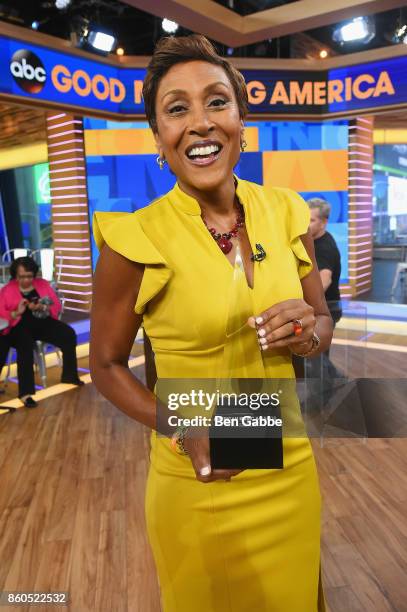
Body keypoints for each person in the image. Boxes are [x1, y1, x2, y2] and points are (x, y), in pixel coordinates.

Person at [90, 35, 332, 612]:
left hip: (287, 457)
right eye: (177, 109)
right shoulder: (133, 238)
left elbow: (321, 324)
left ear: (241, 120)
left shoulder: (285, 210)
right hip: (194, 477)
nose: (200, 123)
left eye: (216, 102)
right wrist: (181, 424)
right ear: (158, 138)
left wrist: (307, 334)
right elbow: (104, 365)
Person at [0, 256, 84, 407]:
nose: (26, 280)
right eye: (22, 277)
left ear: (34, 274)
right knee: (24, 345)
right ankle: (25, 394)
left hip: (41, 323)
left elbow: (56, 305)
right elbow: (2, 316)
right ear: (15, 276)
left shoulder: (42, 284)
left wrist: (42, 307)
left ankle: (70, 376)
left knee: (68, 334)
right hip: (18, 326)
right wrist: (16, 312)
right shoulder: (7, 290)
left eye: (29, 276)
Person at [308, 198, 342, 326]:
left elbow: (325, 280)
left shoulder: (324, 247)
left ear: (323, 223)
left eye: (311, 220)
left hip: (325, 311)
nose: (305, 224)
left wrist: (302, 303)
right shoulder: (315, 240)